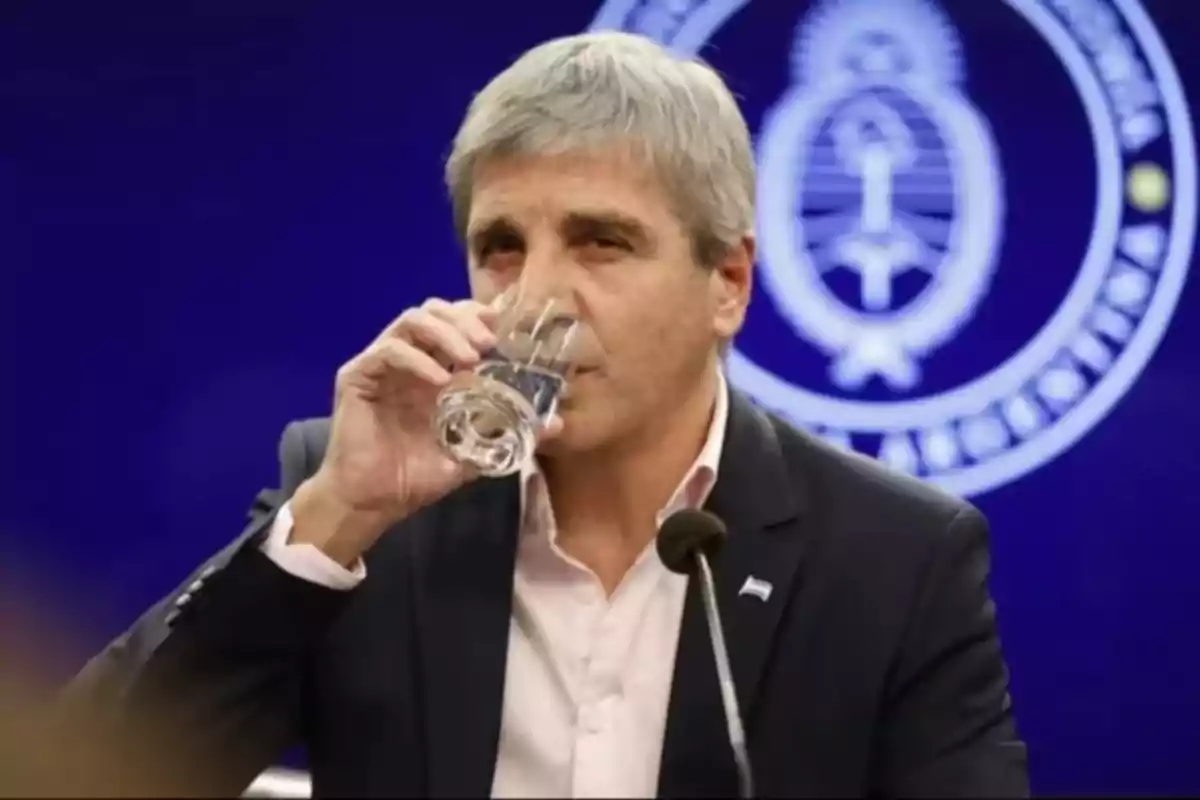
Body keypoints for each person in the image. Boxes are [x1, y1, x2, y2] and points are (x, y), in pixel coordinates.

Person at [68, 31, 1028, 798]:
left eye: (601, 242)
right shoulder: (368, 510)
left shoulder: (896, 557)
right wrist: (338, 516)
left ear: (727, 283)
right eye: (502, 249)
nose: (541, 294)